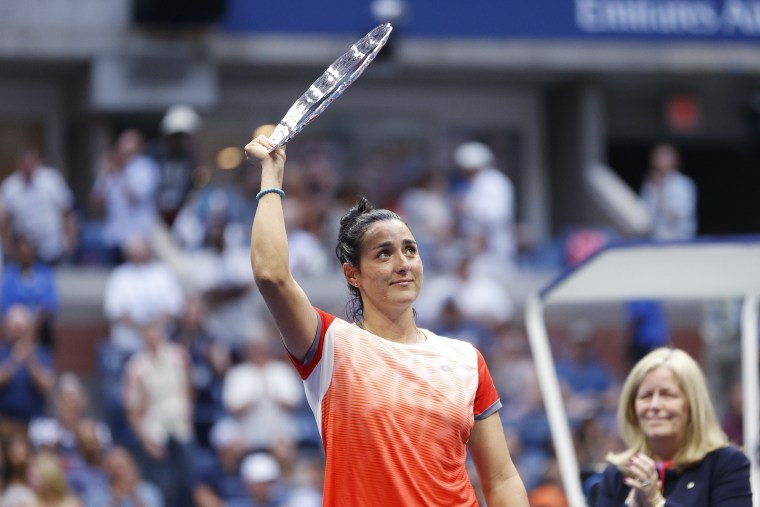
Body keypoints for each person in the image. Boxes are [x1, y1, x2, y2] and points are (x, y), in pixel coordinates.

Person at [245, 131, 529, 506]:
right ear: (352, 275)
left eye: (410, 250)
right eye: (384, 253)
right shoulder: (332, 346)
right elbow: (271, 275)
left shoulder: (465, 359)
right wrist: (272, 175)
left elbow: (502, 478)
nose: (403, 264)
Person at [595, 348, 751, 506]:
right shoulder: (617, 474)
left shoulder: (725, 464)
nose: (654, 405)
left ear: (692, 405)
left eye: (667, 394)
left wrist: (656, 502)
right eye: (646, 396)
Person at [0, 146, 77, 265]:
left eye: (30, 163)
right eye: (24, 164)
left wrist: (71, 239)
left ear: (37, 163)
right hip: (25, 250)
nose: (28, 167)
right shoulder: (10, 187)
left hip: (53, 246)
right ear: (19, 165)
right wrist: (7, 247)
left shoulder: (51, 180)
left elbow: (66, 211)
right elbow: (4, 220)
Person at [640, 143, 697, 241]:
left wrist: (661, 191)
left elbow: (678, 215)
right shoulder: (649, 185)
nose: (661, 160)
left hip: (681, 239)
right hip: (654, 239)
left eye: (665, 156)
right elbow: (644, 215)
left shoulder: (683, 184)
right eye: (658, 156)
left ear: (674, 160)